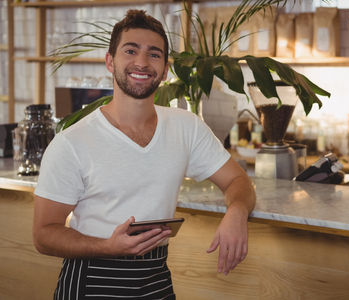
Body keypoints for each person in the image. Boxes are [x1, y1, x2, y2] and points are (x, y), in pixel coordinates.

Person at [33, 9, 256, 300]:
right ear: (110, 62)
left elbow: (237, 181)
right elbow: (43, 234)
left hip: (156, 279)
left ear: (165, 70)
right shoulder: (72, 143)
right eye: (130, 50)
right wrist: (106, 247)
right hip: (93, 277)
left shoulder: (185, 127)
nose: (141, 62)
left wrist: (237, 213)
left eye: (154, 54)